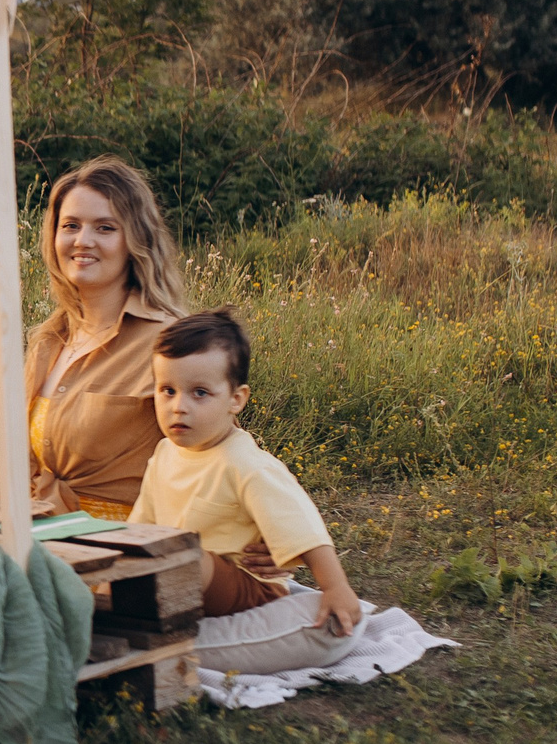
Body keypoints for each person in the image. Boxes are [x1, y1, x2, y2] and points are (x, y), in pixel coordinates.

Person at [130, 310, 366, 676]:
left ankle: (152, 622)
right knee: (150, 559)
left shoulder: (245, 463)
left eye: (200, 393)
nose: (179, 406)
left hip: (248, 587)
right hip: (187, 579)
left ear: (236, 399)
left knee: (187, 556)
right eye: (168, 391)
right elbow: (141, 525)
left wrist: (335, 587)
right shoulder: (165, 454)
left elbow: (302, 526)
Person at [21, 156, 189, 520]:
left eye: (105, 228)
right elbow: (18, 469)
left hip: (127, 553)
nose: (83, 241)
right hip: (43, 538)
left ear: (135, 240)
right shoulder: (47, 342)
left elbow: (221, 452)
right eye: (70, 225)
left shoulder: (169, 341)